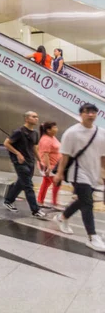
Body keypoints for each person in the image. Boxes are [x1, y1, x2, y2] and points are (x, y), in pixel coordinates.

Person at [53, 103, 105, 252]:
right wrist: (59, 173)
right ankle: (92, 237)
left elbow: (103, 157)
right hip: (77, 173)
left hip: (93, 173)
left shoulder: (101, 133)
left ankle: (62, 217)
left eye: (93, 112)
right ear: (81, 113)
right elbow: (65, 156)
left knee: (83, 200)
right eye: (87, 112)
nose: (91, 114)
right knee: (87, 202)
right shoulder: (72, 133)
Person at [3, 111, 45, 217]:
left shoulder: (35, 133)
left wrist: (40, 160)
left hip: (30, 162)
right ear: (26, 119)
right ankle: (35, 210)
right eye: (33, 116)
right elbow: (6, 143)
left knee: (21, 183)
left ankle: (8, 200)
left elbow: (34, 148)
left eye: (37, 116)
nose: (36, 118)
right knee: (28, 185)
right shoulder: (18, 132)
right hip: (20, 163)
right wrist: (18, 153)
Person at [37, 121, 61, 208]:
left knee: (46, 183)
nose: (56, 129)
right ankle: (54, 203)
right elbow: (45, 155)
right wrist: (48, 167)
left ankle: (40, 200)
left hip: (54, 165)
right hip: (49, 167)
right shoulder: (45, 140)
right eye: (54, 127)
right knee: (57, 183)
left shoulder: (52, 137)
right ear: (48, 130)